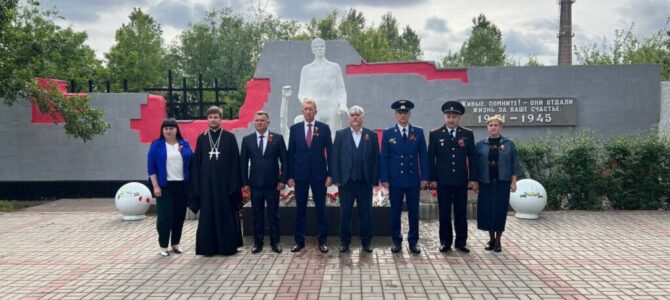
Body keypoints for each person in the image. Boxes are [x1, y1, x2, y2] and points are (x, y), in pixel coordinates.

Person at [189, 106, 243, 256]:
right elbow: (197, 163)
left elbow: (235, 162)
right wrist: (198, 185)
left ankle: (227, 247)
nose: (213, 120)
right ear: (207, 119)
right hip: (207, 185)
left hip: (225, 185)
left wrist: (234, 184)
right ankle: (208, 248)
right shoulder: (202, 138)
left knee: (226, 212)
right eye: (210, 117)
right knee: (208, 214)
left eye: (216, 117)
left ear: (221, 119)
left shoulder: (229, 137)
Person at [428, 101, 478, 253]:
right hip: (443, 181)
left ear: (459, 118)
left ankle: (461, 242)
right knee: (444, 213)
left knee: (461, 212)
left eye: (454, 117)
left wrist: (473, 178)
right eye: (448, 116)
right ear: (445, 117)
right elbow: (431, 158)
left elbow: (473, 158)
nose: (451, 120)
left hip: (461, 181)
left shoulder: (467, 134)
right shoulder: (435, 134)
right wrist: (432, 179)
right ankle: (445, 242)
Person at [380, 100, 429, 254]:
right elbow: (384, 157)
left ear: (409, 114)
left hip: (413, 178)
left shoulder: (418, 132)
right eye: (400, 113)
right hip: (395, 179)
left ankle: (414, 242)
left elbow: (423, 156)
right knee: (395, 212)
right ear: (395, 115)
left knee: (414, 212)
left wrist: (425, 177)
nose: (403, 115)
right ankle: (396, 240)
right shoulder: (388, 133)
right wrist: (385, 178)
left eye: (405, 112)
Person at [331, 105, 379, 253]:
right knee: (345, 214)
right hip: (346, 182)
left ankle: (366, 242)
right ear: (349, 118)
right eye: (352, 115)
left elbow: (376, 159)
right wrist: (336, 178)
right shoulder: (340, 135)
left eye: (358, 114)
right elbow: (335, 158)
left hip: (365, 182)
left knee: (366, 214)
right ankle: (345, 242)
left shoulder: (371, 135)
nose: (355, 117)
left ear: (363, 117)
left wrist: (374, 180)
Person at [287, 99, 332, 253]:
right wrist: (290, 176)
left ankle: (322, 241)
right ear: (302, 111)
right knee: (300, 209)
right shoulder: (295, 129)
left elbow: (330, 153)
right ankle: (299, 241)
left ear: (315, 111)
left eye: (310, 109)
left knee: (321, 209)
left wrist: (330, 174)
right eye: (305, 109)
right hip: (300, 175)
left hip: (319, 175)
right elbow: (290, 154)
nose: (308, 111)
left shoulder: (324, 129)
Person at [240, 111, 287, 254]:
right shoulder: (247, 140)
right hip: (255, 184)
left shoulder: (277, 139)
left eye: (262, 120)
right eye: (257, 120)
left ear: (268, 122)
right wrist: (245, 182)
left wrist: (283, 180)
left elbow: (284, 161)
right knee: (256, 214)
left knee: (274, 214)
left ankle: (275, 242)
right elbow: (243, 163)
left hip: (273, 184)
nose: (259, 122)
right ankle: (257, 243)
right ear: (254, 122)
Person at [147, 118, 193, 257]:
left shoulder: (184, 144)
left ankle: (175, 244)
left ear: (176, 129)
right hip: (164, 186)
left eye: (171, 128)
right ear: (162, 130)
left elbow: (192, 162)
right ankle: (163, 245)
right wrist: (155, 186)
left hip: (181, 186)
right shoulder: (157, 145)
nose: (169, 130)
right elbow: (151, 168)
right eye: (166, 128)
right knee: (164, 217)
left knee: (179, 216)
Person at [475, 115, 520, 253]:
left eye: (496, 125)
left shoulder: (509, 144)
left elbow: (514, 164)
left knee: (500, 211)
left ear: (500, 127)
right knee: (487, 211)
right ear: (487, 127)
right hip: (485, 182)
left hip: (503, 182)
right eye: (491, 125)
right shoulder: (480, 145)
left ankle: (499, 240)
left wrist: (514, 182)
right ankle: (491, 239)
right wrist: (475, 183)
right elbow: (475, 166)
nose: (493, 127)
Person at [298, 38, 348, 134]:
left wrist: (342, 104)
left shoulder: (334, 67)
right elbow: (301, 93)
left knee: (333, 138)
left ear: (325, 48)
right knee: (315, 139)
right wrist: (307, 102)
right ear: (312, 50)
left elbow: (341, 90)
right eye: (317, 47)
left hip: (331, 107)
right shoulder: (306, 69)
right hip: (316, 108)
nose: (319, 49)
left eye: (322, 46)